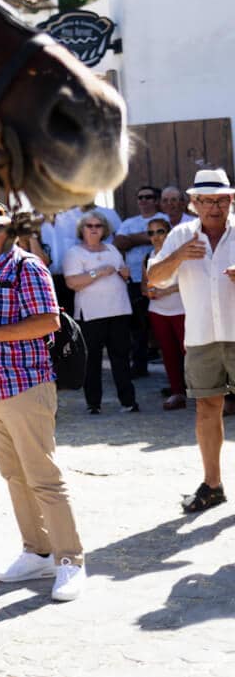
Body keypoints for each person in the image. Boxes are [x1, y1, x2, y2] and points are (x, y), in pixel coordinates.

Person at [0, 199, 86, 602]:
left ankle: (71, 560)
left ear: (0, 232)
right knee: (14, 475)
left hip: (25, 387)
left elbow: (49, 321)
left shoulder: (27, 266)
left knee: (44, 477)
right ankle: (38, 551)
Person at [147, 168, 235, 513]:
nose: (215, 207)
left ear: (230, 201)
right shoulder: (181, 235)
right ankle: (212, 486)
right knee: (206, 409)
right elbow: (154, 278)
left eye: (221, 200)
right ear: (194, 203)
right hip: (200, 337)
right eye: (207, 201)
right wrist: (179, 255)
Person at [64, 210, 138, 414]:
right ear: (82, 229)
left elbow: (123, 272)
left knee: (121, 358)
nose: (94, 229)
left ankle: (128, 401)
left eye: (98, 226)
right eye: (90, 226)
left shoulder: (113, 249)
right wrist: (98, 272)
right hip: (91, 314)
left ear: (105, 229)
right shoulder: (75, 253)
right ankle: (93, 404)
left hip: (119, 310)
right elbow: (72, 282)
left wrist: (124, 273)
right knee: (92, 361)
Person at [114, 186, 162, 377]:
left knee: (161, 324)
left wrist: (131, 239)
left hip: (161, 279)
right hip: (133, 278)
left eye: (148, 197)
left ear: (156, 200)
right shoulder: (129, 221)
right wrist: (146, 237)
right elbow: (119, 243)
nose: (143, 200)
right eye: (140, 197)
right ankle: (140, 366)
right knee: (138, 326)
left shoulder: (164, 219)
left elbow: (161, 239)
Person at [143, 214, 187, 410]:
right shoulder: (149, 256)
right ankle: (177, 392)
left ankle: (202, 391)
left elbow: (188, 281)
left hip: (181, 308)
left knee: (190, 353)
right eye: (151, 233)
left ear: (169, 232)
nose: (156, 236)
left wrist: (165, 290)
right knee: (168, 353)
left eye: (160, 231)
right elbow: (144, 286)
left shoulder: (178, 253)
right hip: (158, 311)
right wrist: (150, 292)